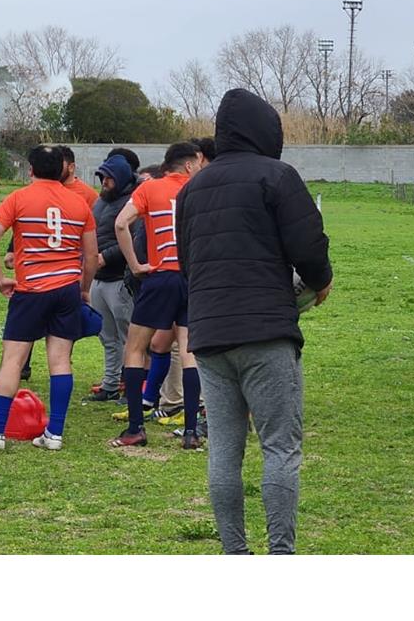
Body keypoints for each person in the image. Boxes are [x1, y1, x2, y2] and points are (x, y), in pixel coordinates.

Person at [176, 88, 333, 555]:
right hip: (265, 333)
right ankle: (280, 554)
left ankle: (234, 553)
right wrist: (319, 282)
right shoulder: (278, 176)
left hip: (208, 334)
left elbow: (188, 262)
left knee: (225, 450)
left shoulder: (191, 190)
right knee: (280, 447)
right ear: (267, 131)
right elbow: (309, 245)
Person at [0, 145, 98, 451]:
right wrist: (84, 288)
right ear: (63, 169)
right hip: (67, 290)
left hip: (30, 291)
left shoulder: (19, 198)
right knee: (60, 360)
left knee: (13, 360)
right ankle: (54, 434)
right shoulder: (79, 202)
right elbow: (91, 254)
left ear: (30, 170)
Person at [111, 143, 203, 449]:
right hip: (193, 278)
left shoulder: (150, 189)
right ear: (189, 166)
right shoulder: (202, 189)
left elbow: (121, 223)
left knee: (135, 348)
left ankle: (135, 427)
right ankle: (191, 432)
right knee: (190, 352)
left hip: (160, 276)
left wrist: (136, 265)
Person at [85, 153, 137, 402]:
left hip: (119, 279)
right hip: (99, 278)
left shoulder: (132, 203)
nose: (104, 181)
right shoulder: (100, 202)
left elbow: (133, 239)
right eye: (102, 177)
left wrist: (106, 256)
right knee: (107, 336)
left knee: (129, 336)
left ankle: (131, 385)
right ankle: (110, 383)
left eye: (108, 178)